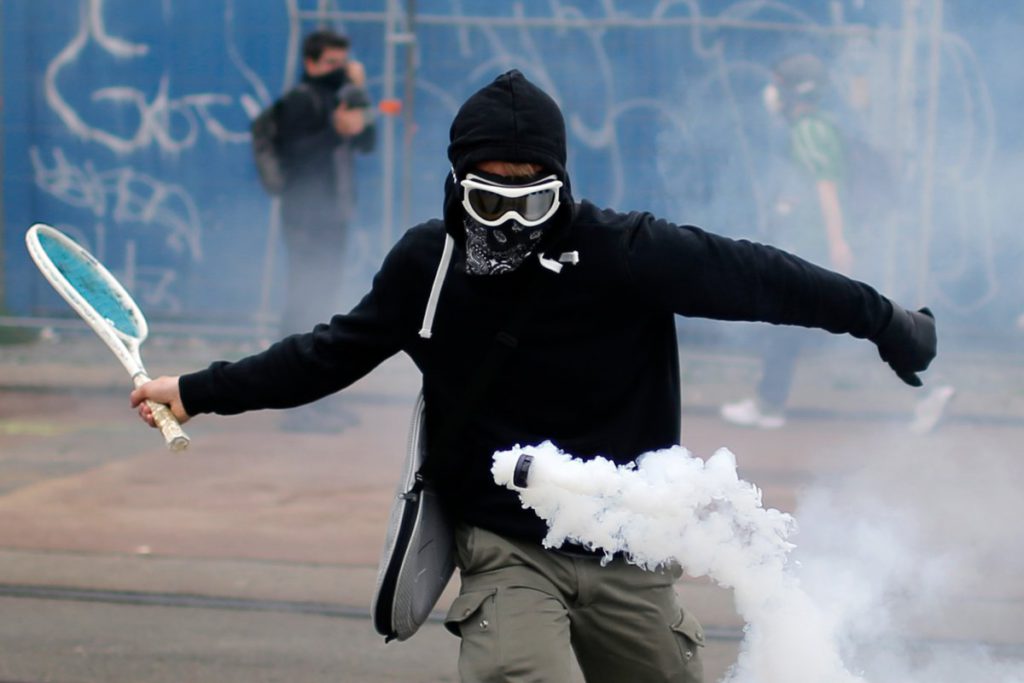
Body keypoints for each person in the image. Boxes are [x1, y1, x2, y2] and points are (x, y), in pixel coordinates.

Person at [132, 70, 936, 683]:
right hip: (506, 547)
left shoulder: (627, 253)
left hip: (627, 544)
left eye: (533, 199)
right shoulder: (431, 265)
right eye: (490, 200)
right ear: (457, 188)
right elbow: (330, 351)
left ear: (562, 189)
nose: (511, 224)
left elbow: (768, 278)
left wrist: (885, 319)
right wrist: (197, 390)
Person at [720, 53, 861, 430]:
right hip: (808, 240)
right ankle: (769, 402)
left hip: (812, 242)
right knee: (792, 324)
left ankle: (768, 405)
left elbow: (825, 186)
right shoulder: (815, 127)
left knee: (794, 323)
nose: (773, 93)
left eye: (780, 84)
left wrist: (837, 242)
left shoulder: (809, 130)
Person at [277, 29, 375, 336]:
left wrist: (359, 91)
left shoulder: (341, 98)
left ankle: (312, 351)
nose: (339, 71)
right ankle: (289, 350)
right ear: (311, 64)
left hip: (336, 210)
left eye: (343, 64)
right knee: (304, 285)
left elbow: (367, 140)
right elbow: (294, 154)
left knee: (327, 284)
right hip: (304, 212)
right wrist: (335, 130)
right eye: (331, 63)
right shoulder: (299, 100)